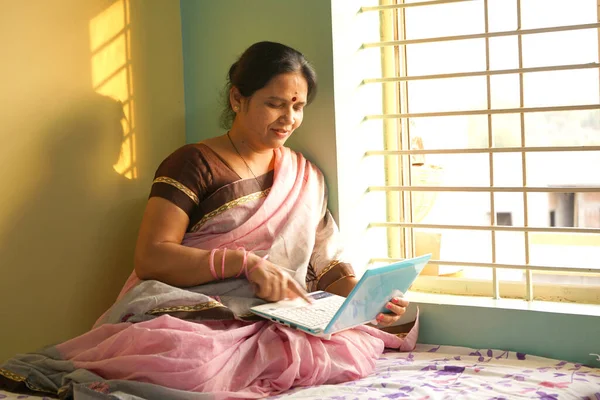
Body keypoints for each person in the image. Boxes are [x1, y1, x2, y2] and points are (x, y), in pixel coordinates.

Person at [0, 41, 417, 400]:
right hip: (191, 310)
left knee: (347, 345)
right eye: (274, 103)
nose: (288, 118)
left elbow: (324, 266)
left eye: (298, 106)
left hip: (273, 315)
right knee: (188, 359)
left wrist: (369, 301)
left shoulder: (303, 176)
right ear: (238, 98)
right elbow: (151, 257)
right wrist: (243, 263)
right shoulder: (193, 162)